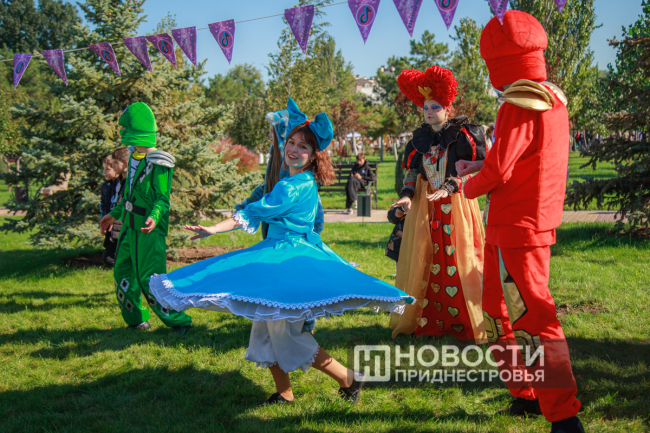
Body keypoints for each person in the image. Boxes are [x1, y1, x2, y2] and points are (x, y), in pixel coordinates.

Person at [149, 98, 413, 405]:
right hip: (286, 254)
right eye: (291, 142)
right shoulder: (298, 181)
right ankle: (285, 393)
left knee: (286, 335)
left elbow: (255, 210)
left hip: (286, 259)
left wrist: (214, 229)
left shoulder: (293, 186)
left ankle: (348, 378)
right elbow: (286, 212)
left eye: (303, 146)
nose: (294, 149)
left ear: (314, 155)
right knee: (264, 331)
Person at [457, 11, 583, 433]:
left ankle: (563, 413)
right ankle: (525, 392)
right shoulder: (552, 98)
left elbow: (500, 171)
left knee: (532, 315)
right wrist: (478, 165)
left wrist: (464, 186)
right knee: (498, 308)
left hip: (517, 224)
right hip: (521, 221)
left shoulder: (517, 103)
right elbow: (524, 157)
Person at [389, 65, 488, 343]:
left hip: (457, 207)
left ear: (448, 108)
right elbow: (413, 171)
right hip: (426, 208)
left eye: (435, 107)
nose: (429, 112)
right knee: (426, 257)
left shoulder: (463, 135)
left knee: (458, 257)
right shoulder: (419, 140)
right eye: (425, 107)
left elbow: (476, 170)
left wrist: (450, 187)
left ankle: (463, 319)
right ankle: (427, 317)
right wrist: (407, 194)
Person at [99, 102, 192, 334]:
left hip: (148, 230)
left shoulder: (159, 162)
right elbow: (128, 196)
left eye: (125, 128)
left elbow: (162, 199)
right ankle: (136, 319)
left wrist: (153, 217)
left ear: (138, 130)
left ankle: (178, 321)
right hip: (129, 227)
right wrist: (114, 214)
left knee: (150, 279)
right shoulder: (132, 157)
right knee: (122, 272)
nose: (121, 132)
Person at [100, 156, 120, 266]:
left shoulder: (122, 185)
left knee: (113, 258)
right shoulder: (106, 186)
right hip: (109, 223)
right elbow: (104, 205)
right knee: (108, 258)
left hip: (119, 224)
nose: (104, 172)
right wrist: (103, 220)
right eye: (103, 169)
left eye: (107, 169)